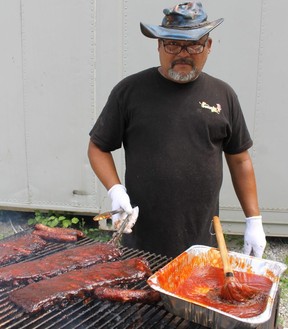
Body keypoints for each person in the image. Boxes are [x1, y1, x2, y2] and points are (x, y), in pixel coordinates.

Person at [88, 2, 266, 258]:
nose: (183, 53)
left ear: (209, 46)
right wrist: (115, 190)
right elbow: (98, 147)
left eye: (194, 45)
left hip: (201, 240)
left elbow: (239, 160)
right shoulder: (129, 92)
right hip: (140, 239)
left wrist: (254, 220)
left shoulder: (223, 95)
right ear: (158, 45)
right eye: (172, 44)